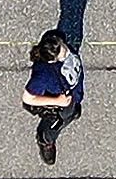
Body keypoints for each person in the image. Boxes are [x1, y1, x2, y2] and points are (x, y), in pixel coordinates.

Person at [21, 29, 84, 165]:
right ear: (52, 60)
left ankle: (72, 112)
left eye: (64, 47)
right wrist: (57, 101)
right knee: (55, 124)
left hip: (73, 95)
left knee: (71, 111)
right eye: (63, 55)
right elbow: (28, 97)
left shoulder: (54, 39)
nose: (67, 53)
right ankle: (45, 141)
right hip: (60, 103)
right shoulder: (44, 75)